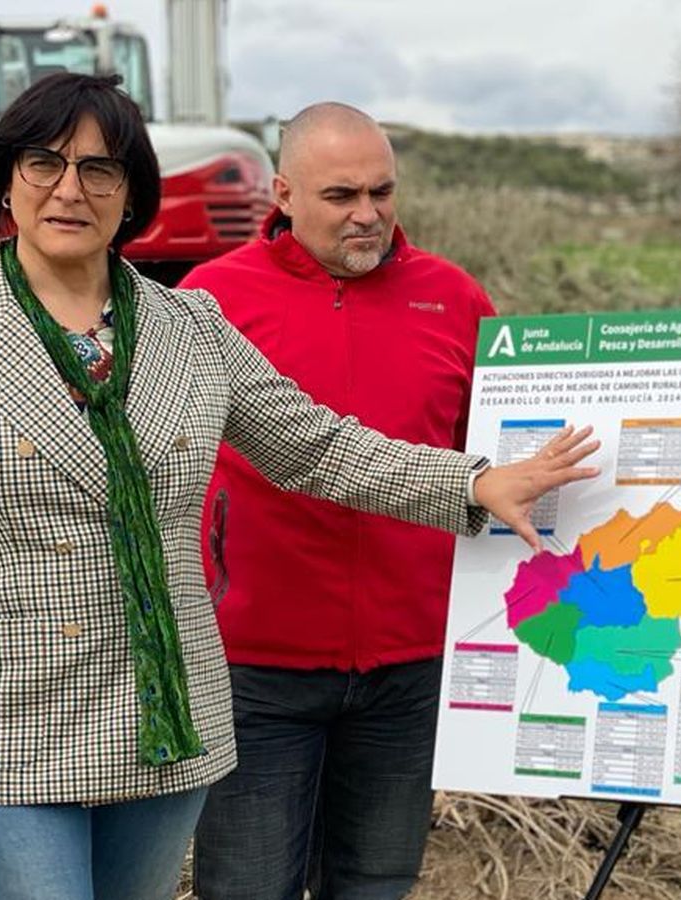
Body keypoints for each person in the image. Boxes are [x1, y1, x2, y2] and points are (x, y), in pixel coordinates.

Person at [0, 73, 595, 900]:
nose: (69, 190)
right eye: (44, 163)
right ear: (5, 179)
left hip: (163, 733)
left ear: (131, 196)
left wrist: (475, 485)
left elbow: (317, 448)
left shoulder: (191, 327)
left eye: (101, 170)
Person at [181, 103, 493, 900]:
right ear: (282, 194)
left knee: (374, 886)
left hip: (409, 667)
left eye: (382, 192)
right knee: (247, 887)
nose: (368, 215)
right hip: (255, 667)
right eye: (341, 195)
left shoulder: (455, 300)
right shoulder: (208, 301)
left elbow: (493, 461)